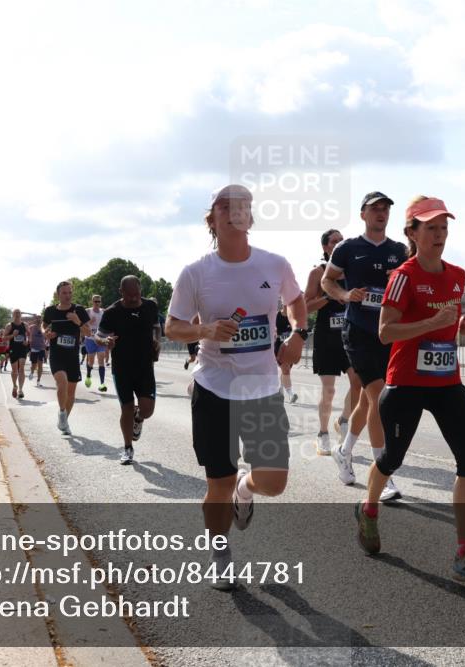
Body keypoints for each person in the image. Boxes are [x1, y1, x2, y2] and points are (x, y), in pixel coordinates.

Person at [354, 195, 465, 585]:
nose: (439, 234)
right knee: (392, 458)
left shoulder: (457, 275)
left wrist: (459, 326)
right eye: (431, 228)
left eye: (443, 227)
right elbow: (386, 332)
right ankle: (368, 508)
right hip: (405, 383)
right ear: (412, 233)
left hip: (446, 383)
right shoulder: (403, 276)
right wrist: (432, 323)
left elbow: (447, 321)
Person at [165, 184, 307, 591]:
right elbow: (172, 327)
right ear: (212, 219)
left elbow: (296, 302)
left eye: (242, 206)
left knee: (274, 483)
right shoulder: (195, 273)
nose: (234, 211)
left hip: (261, 388)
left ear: (251, 217)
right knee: (218, 483)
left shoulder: (274, 264)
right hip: (214, 387)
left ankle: (246, 490)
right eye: (225, 206)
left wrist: (299, 333)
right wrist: (205, 329)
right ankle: (220, 554)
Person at [322, 191, 406, 503]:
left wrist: (399, 280)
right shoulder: (347, 248)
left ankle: (344, 451)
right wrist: (345, 296)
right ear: (363, 215)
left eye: (385, 209)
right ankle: (383, 474)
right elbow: (327, 281)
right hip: (358, 331)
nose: (381, 213)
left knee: (369, 402)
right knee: (379, 398)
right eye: (375, 209)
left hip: (387, 333)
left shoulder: (400, 250)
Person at [304, 229, 362, 456]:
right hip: (327, 337)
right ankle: (322, 434)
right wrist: (330, 295)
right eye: (334, 241)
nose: (338, 243)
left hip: (350, 335)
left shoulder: (353, 269)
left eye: (341, 240)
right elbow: (306, 307)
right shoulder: (317, 273)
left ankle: (343, 420)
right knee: (328, 390)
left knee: (358, 382)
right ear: (325, 247)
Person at [96, 276, 161, 465]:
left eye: (137, 294)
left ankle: (138, 419)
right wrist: (106, 341)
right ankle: (127, 448)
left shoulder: (150, 306)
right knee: (127, 408)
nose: (133, 298)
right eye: (129, 294)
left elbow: (157, 327)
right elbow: (98, 336)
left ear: (141, 291)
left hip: (145, 366)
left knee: (147, 410)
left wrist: (157, 341)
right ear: (121, 292)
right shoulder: (112, 312)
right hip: (122, 368)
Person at [43, 281, 92, 435]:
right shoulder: (51, 311)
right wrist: (46, 333)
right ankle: (62, 411)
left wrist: (77, 321)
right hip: (56, 355)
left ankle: (63, 420)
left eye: (70, 292)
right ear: (58, 294)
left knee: (71, 393)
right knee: (62, 382)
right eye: (64, 293)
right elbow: (44, 326)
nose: (68, 295)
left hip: (72, 356)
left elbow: (88, 332)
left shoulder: (79, 310)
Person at [81, 295, 108, 391]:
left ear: (101, 302)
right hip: (90, 339)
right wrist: (89, 322)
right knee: (91, 361)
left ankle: (102, 384)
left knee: (101, 360)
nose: (97, 303)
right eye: (95, 301)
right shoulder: (88, 311)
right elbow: (81, 324)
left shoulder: (103, 312)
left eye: (99, 301)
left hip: (101, 339)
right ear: (92, 302)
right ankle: (88, 376)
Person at [274, 301, 298, 403]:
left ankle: (279, 391)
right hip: (279, 348)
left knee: (286, 371)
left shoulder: (293, 316)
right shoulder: (276, 316)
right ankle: (291, 394)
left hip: (290, 348)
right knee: (286, 369)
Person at [5, 309, 29, 399]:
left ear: (21, 315)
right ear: (13, 315)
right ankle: (15, 386)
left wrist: (27, 341)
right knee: (14, 370)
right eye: (16, 313)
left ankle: (20, 390)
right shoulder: (9, 325)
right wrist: (12, 335)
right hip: (13, 349)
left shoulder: (25, 325)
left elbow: (29, 335)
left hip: (22, 348)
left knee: (21, 368)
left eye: (19, 313)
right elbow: (4, 338)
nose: (17, 315)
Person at [28, 321, 47, 386]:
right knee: (34, 365)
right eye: (37, 319)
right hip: (34, 348)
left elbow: (45, 335)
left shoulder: (43, 328)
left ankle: (38, 381)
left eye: (40, 319)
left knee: (40, 365)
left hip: (41, 348)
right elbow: (27, 333)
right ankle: (32, 373)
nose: (38, 321)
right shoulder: (31, 327)